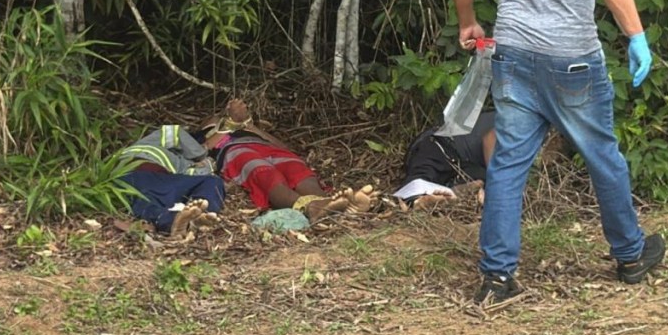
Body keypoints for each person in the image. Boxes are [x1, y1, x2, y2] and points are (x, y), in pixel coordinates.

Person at [451, 0, 665, 304]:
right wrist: (636, 35)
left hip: (513, 53)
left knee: (506, 163)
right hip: (572, 57)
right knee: (601, 154)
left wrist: (469, 22)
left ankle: (497, 278)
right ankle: (630, 256)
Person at [200, 99, 374, 222]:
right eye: (215, 120)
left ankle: (332, 204)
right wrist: (229, 124)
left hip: (267, 147)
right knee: (266, 174)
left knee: (297, 170)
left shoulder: (248, 128)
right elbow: (204, 149)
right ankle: (312, 208)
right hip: (236, 151)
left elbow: (283, 147)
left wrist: (248, 124)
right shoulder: (206, 134)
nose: (220, 118)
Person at [119, 124, 225, 238]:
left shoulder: (183, 164)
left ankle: (199, 216)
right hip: (132, 173)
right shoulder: (145, 145)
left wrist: (204, 165)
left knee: (213, 181)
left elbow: (197, 178)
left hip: (166, 181)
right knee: (146, 200)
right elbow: (174, 132)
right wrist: (201, 154)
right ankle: (174, 221)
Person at [393, 111, 496, 211]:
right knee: (419, 180)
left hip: (464, 164)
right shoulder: (509, 117)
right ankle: (419, 200)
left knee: (481, 179)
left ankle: (452, 193)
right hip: (439, 145)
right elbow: (490, 139)